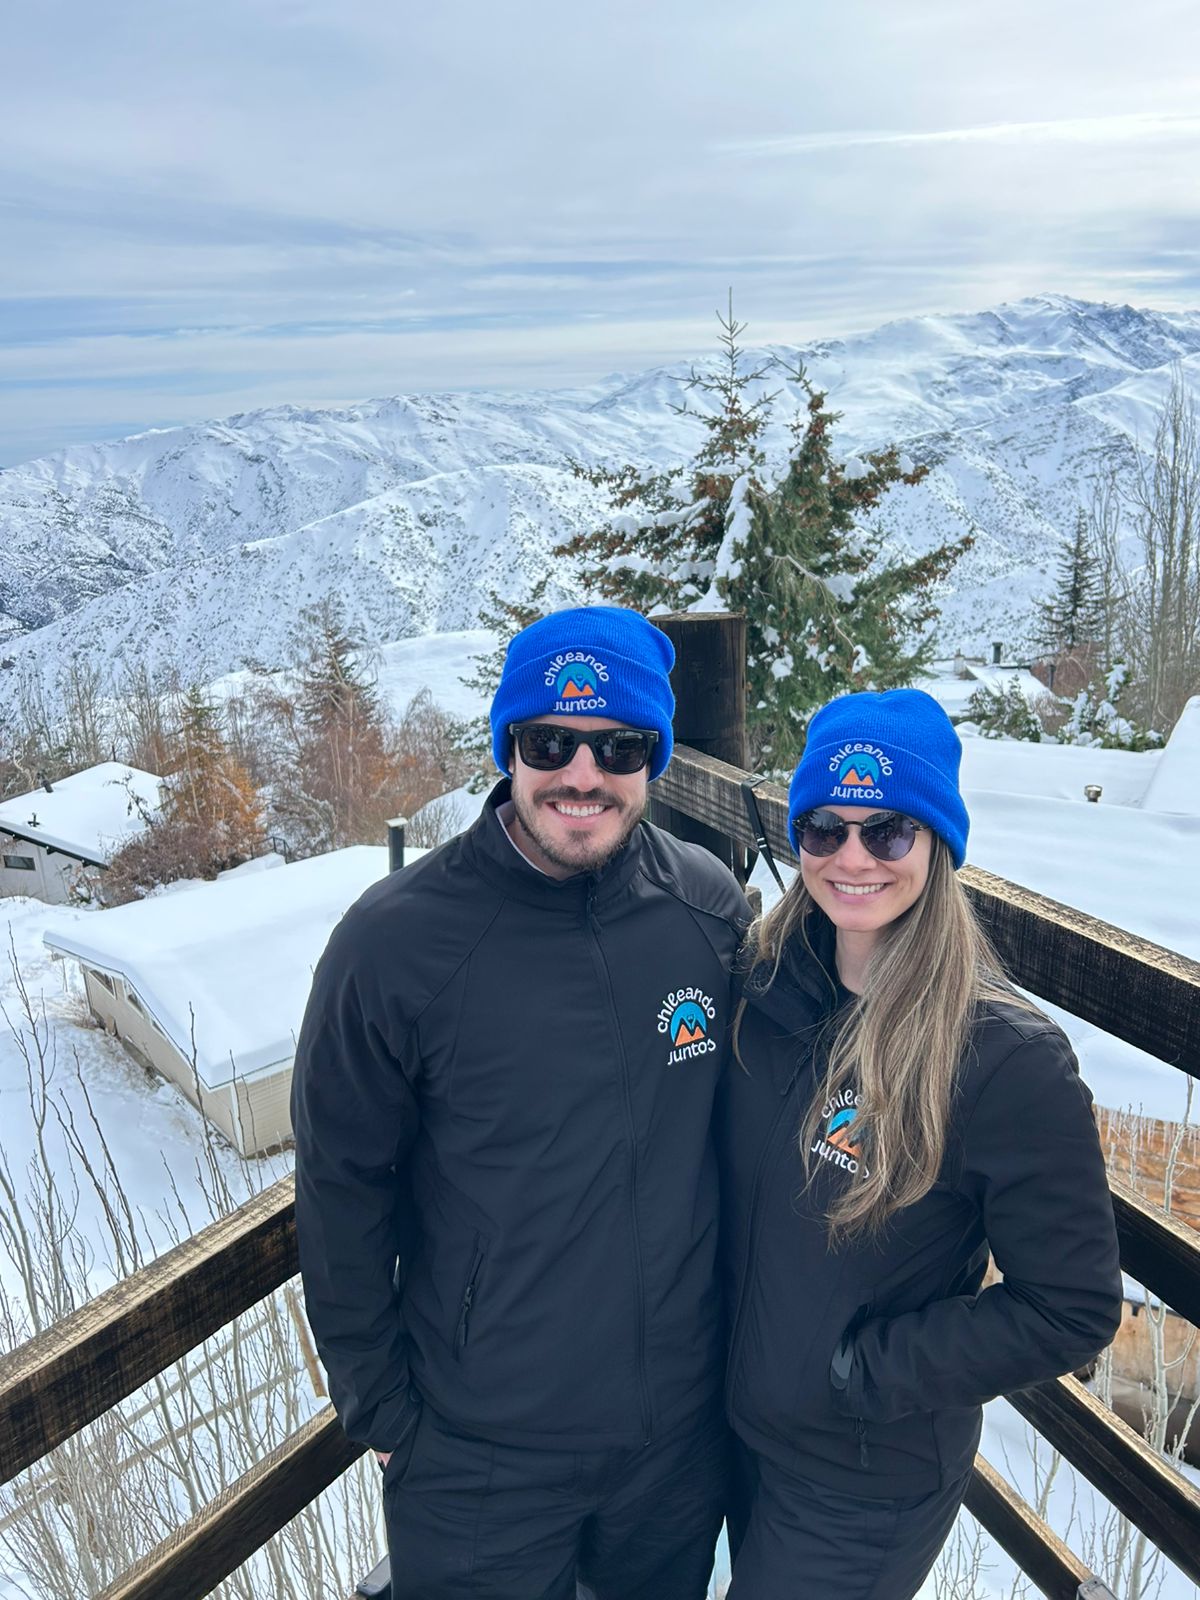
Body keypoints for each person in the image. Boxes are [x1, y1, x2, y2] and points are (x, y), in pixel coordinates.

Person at [291, 605, 748, 1600]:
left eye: (619, 746)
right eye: (552, 741)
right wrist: (384, 1411)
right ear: (510, 748)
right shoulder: (394, 946)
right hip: (478, 1457)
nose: (583, 774)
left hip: (672, 1446)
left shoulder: (707, 911)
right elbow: (340, 1188)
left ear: (652, 759)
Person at [720, 688, 1122, 1599]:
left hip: (860, 1480)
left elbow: (1072, 1307)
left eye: (889, 831)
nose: (853, 858)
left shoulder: (1002, 1059)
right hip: (736, 1431)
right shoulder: (767, 989)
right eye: (825, 829)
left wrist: (862, 1371)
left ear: (939, 845)